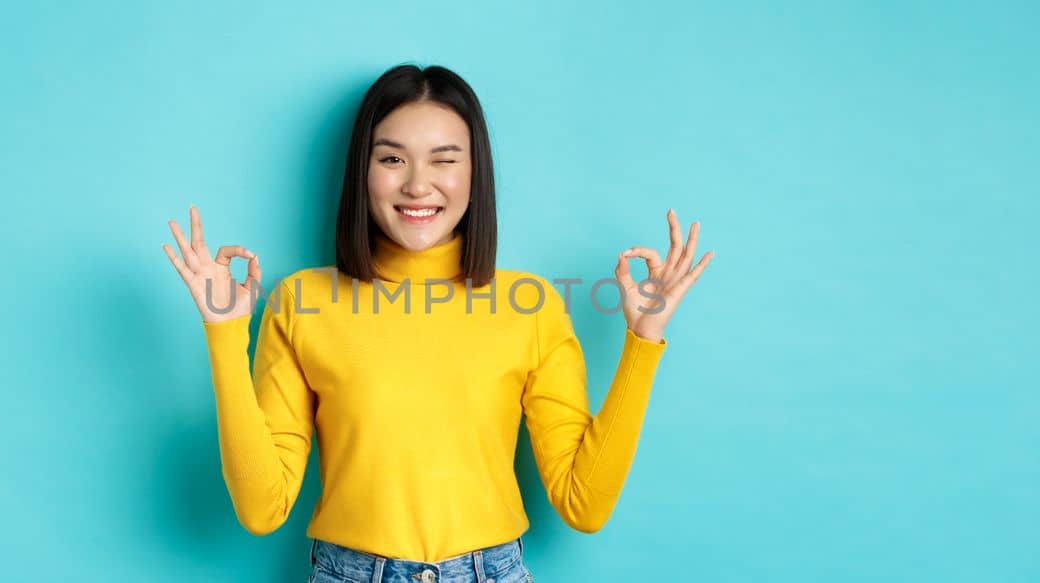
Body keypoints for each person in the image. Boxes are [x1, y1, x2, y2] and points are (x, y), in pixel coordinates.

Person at [160, 64, 714, 583]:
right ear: (363, 171)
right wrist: (227, 331)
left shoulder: (532, 305)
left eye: (445, 158)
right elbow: (262, 509)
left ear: (475, 174)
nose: (418, 185)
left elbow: (583, 502)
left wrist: (643, 340)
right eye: (393, 159)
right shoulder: (301, 301)